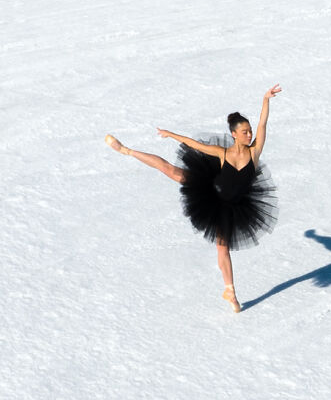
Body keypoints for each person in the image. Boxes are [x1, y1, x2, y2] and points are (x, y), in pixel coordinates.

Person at [106, 85, 281, 311]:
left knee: (222, 248)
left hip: (232, 207)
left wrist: (265, 99)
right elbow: (195, 144)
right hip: (209, 191)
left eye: (249, 131)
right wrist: (170, 135)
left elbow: (263, 124)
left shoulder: (255, 151)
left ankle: (229, 291)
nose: (249, 134)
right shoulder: (223, 153)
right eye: (244, 131)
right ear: (234, 134)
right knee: (170, 170)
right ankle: (127, 150)